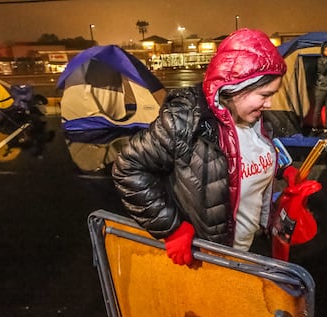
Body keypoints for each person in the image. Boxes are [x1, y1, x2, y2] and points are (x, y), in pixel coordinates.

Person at [112, 28, 295, 266]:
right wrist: (171, 228)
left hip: (251, 248)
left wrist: (284, 170)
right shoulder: (185, 119)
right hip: (211, 257)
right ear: (236, 87)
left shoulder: (256, 119)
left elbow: (250, 157)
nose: (269, 104)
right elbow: (128, 168)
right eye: (264, 94)